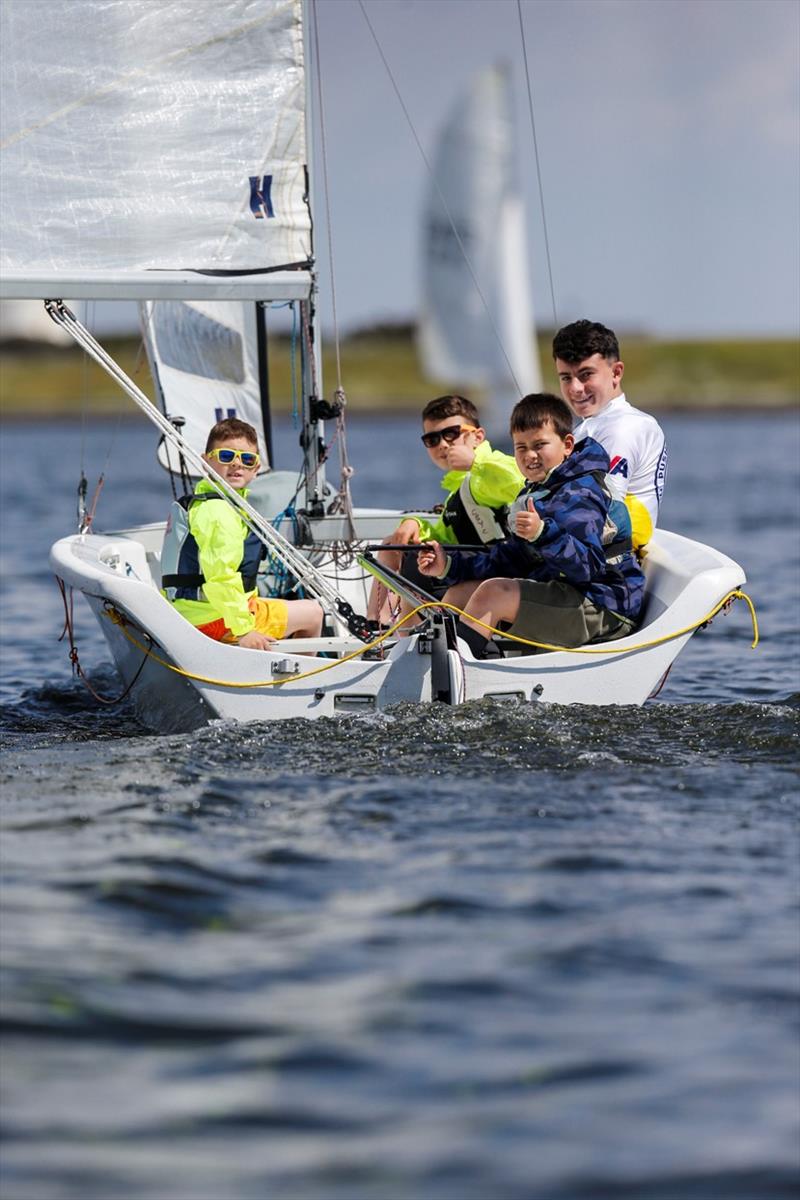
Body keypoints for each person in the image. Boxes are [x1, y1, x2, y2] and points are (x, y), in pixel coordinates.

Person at [418, 393, 646, 659]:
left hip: (605, 607)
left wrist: (543, 533)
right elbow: (511, 558)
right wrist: (448, 565)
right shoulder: (538, 490)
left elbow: (587, 568)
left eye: (540, 445)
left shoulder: (579, 493)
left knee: (493, 594)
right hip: (570, 595)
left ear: (567, 444)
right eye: (521, 447)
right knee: (461, 592)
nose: (530, 455)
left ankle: (461, 672)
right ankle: (440, 663)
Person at [161, 418, 323, 648]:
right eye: (226, 456)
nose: (237, 465)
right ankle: (298, 680)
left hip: (194, 611)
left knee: (281, 606)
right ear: (206, 462)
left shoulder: (207, 503)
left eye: (247, 459)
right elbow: (220, 578)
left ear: (256, 469)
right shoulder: (218, 513)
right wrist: (244, 630)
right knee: (313, 613)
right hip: (212, 620)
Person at [366, 394, 524, 625]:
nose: (442, 444)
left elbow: (522, 481)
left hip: (505, 572)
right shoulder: (458, 488)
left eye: (451, 433)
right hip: (472, 567)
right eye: (432, 439)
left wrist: (475, 463)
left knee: (433, 592)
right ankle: (374, 625)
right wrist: (414, 524)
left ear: (478, 437)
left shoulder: (488, 469)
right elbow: (444, 536)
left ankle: (396, 637)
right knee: (394, 545)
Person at [552, 319, 667, 528]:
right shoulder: (590, 427)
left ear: (616, 373)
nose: (575, 388)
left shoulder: (624, 428)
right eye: (566, 378)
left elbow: (604, 514)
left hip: (612, 555)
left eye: (586, 375)